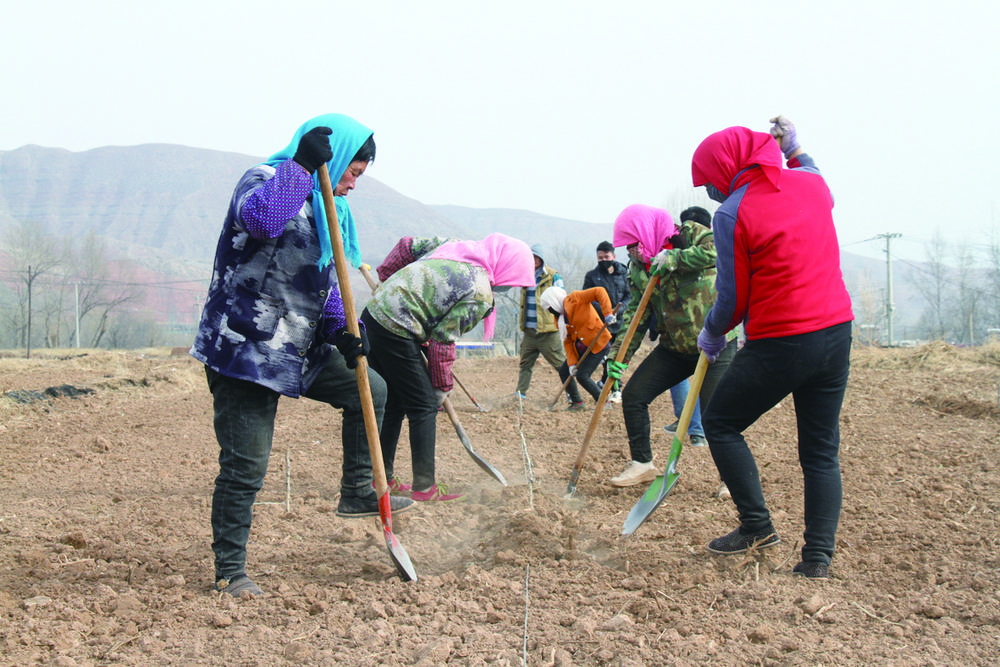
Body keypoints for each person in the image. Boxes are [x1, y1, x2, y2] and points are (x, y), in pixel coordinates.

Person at [190, 114, 413, 599]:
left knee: (369, 388)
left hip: (297, 347)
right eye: (353, 171)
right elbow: (265, 221)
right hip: (246, 349)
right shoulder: (265, 181)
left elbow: (324, 278)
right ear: (331, 159)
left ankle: (357, 490)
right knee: (246, 465)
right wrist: (301, 166)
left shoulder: (326, 207)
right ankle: (231, 570)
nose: (354, 183)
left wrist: (342, 332)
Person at [692, 116, 854, 579]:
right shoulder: (812, 184)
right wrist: (795, 149)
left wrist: (713, 331)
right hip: (836, 333)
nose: (710, 193)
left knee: (721, 423)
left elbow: (733, 297)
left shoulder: (733, 212)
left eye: (709, 181)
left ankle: (756, 527)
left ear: (726, 169)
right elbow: (813, 173)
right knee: (821, 451)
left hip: (782, 339)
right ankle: (817, 559)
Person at [362, 234, 535, 501]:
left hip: (374, 314)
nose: (508, 286)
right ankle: (424, 487)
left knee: (395, 403)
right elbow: (443, 340)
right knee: (423, 406)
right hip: (398, 327)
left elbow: (407, 245)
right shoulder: (479, 292)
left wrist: (388, 279)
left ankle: (381, 479)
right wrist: (441, 387)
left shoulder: (454, 245)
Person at [604, 204, 738, 487]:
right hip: (675, 347)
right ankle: (642, 464)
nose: (632, 252)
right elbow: (636, 317)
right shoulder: (640, 270)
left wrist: (676, 257)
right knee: (634, 396)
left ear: (646, 233)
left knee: (717, 415)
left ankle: (732, 478)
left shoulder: (692, 234)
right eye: (627, 248)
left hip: (716, 344)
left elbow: (720, 250)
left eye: (633, 244)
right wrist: (618, 358)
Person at [662, 207, 714, 448]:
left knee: (697, 382)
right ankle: (690, 424)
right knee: (683, 380)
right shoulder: (675, 252)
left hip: (705, 334)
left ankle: (697, 428)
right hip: (685, 333)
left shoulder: (705, 255)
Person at [515, 244, 583, 408]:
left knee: (561, 365)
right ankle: (520, 395)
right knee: (525, 364)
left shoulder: (553, 276)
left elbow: (563, 299)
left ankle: (574, 398)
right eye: (531, 257)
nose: (534, 260)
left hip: (548, 331)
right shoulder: (525, 275)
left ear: (542, 259)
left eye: (537, 257)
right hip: (530, 330)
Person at [538, 285, 617, 406]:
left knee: (583, 376)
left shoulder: (575, 298)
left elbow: (599, 291)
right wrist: (572, 363)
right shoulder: (559, 319)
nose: (550, 311)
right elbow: (568, 341)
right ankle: (577, 402)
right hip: (580, 347)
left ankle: (603, 402)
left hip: (598, 343)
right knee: (564, 371)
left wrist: (607, 313)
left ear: (554, 301)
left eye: (549, 308)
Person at [582, 240, 630, 396]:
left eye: (606, 257)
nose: (603, 260)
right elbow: (587, 298)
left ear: (613, 256)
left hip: (621, 322)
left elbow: (630, 296)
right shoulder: (592, 276)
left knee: (619, 355)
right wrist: (606, 312)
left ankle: (610, 384)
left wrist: (620, 310)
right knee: (605, 356)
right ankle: (614, 387)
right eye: (600, 258)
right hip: (601, 324)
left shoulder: (624, 274)